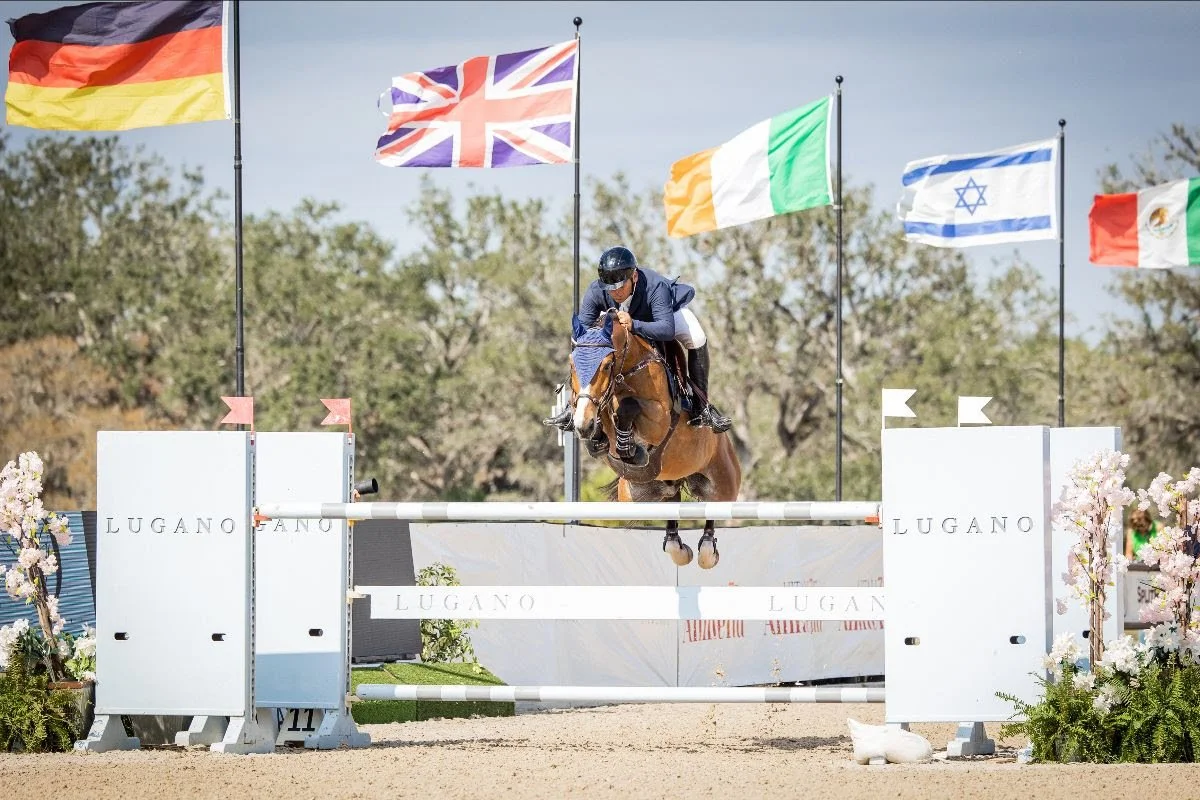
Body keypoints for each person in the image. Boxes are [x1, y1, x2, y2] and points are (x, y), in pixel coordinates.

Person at [543, 245, 733, 433]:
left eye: (621, 287)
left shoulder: (655, 286)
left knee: (697, 336)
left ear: (634, 276)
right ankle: (573, 406)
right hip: (621, 318)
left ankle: (701, 406)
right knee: (583, 341)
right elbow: (581, 334)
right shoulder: (596, 290)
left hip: (660, 315)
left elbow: (666, 330)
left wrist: (635, 325)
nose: (616, 293)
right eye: (610, 289)